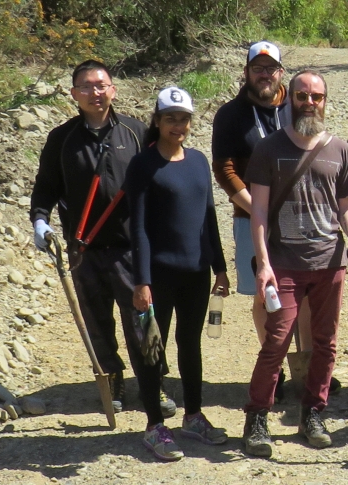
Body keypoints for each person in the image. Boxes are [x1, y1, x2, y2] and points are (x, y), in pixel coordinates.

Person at [29, 59, 175, 417]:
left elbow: (162, 182)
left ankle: (153, 383)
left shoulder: (137, 132)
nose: (95, 92)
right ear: (74, 94)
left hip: (130, 248)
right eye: (86, 87)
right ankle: (112, 380)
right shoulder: (61, 140)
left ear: (113, 89)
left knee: (142, 319)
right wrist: (40, 222)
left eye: (101, 85)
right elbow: (44, 190)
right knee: (96, 320)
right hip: (84, 250)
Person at [242, 70, 348, 457]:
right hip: (284, 263)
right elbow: (259, 211)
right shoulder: (269, 149)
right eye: (302, 95)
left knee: (325, 344)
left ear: (325, 101)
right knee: (276, 342)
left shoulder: (341, 151)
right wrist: (263, 264)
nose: (309, 102)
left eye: (316, 96)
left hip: (329, 262)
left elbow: (345, 204)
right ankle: (257, 416)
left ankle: (313, 412)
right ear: (289, 98)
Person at [212, 42, 338, 400]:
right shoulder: (231, 114)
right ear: (247, 71)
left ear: (281, 72)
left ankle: (310, 368)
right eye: (258, 69)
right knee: (266, 295)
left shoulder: (297, 102)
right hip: (251, 215)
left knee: (309, 297)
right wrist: (258, 210)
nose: (264, 75)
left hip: (302, 217)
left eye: (271, 69)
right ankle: (275, 370)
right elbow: (225, 170)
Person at [126, 87, 229, 461]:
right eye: (170, 118)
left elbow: (209, 218)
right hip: (158, 276)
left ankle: (194, 416)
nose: (178, 125)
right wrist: (141, 281)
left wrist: (219, 266)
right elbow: (137, 227)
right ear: (157, 120)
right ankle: (154, 425)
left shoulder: (199, 161)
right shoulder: (143, 164)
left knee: (191, 344)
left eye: (183, 118)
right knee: (154, 349)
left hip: (196, 272)